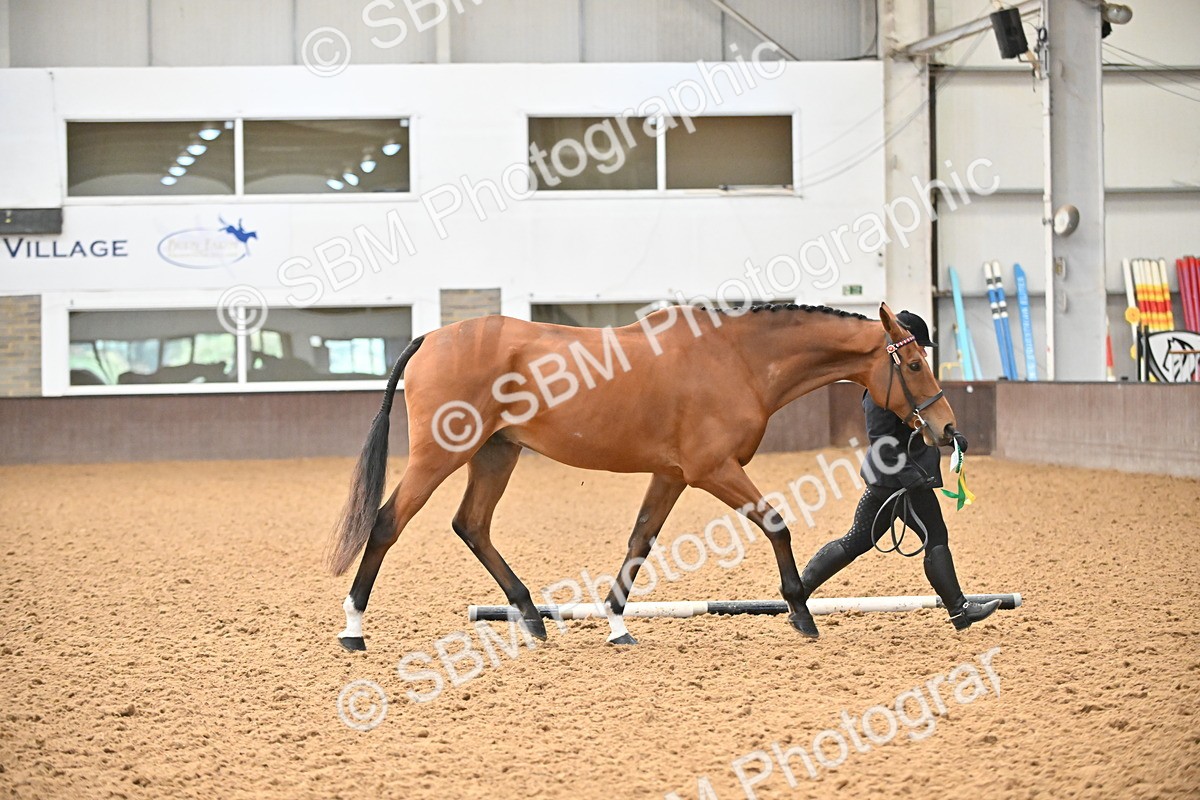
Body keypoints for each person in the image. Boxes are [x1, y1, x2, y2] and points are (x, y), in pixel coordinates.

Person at [795, 310, 1001, 638]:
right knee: (933, 537)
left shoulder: (906, 386)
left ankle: (799, 592)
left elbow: (917, 428)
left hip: (899, 482)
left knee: (856, 541)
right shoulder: (881, 394)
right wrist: (908, 476)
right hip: (894, 483)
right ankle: (959, 609)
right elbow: (881, 444)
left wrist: (949, 439)